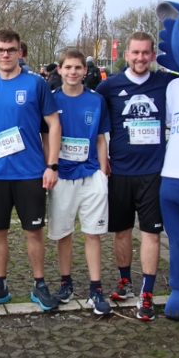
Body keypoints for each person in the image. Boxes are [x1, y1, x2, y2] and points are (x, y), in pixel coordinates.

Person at [0, 28, 61, 311]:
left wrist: (52, 165)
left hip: (30, 173)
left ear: (19, 52)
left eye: (11, 50)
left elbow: (54, 124)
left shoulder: (36, 84)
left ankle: (40, 285)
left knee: (33, 232)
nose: (6, 55)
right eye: (0, 50)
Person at [95, 32, 177, 319]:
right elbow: (93, 122)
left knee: (151, 233)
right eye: (135, 53)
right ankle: (125, 281)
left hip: (153, 172)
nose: (140, 58)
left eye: (145, 53)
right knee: (122, 231)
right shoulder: (109, 86)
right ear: (126, 55)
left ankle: (147, 293)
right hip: (119, 172)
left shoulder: (166, 83)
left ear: (153, 55)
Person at [44, 48, 111, 315]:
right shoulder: (51, 99)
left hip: (91, 173)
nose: (73, 72)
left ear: (85, 70)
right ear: (59, 70)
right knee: (63, 233)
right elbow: (45, 137)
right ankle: (66, 283)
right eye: (68, 67)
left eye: (78, 67)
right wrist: (49, 167)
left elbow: (101, 137)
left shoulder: (96, 100)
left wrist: (103, 170)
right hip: (62, 175)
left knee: (92, 233)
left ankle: (96, 288)